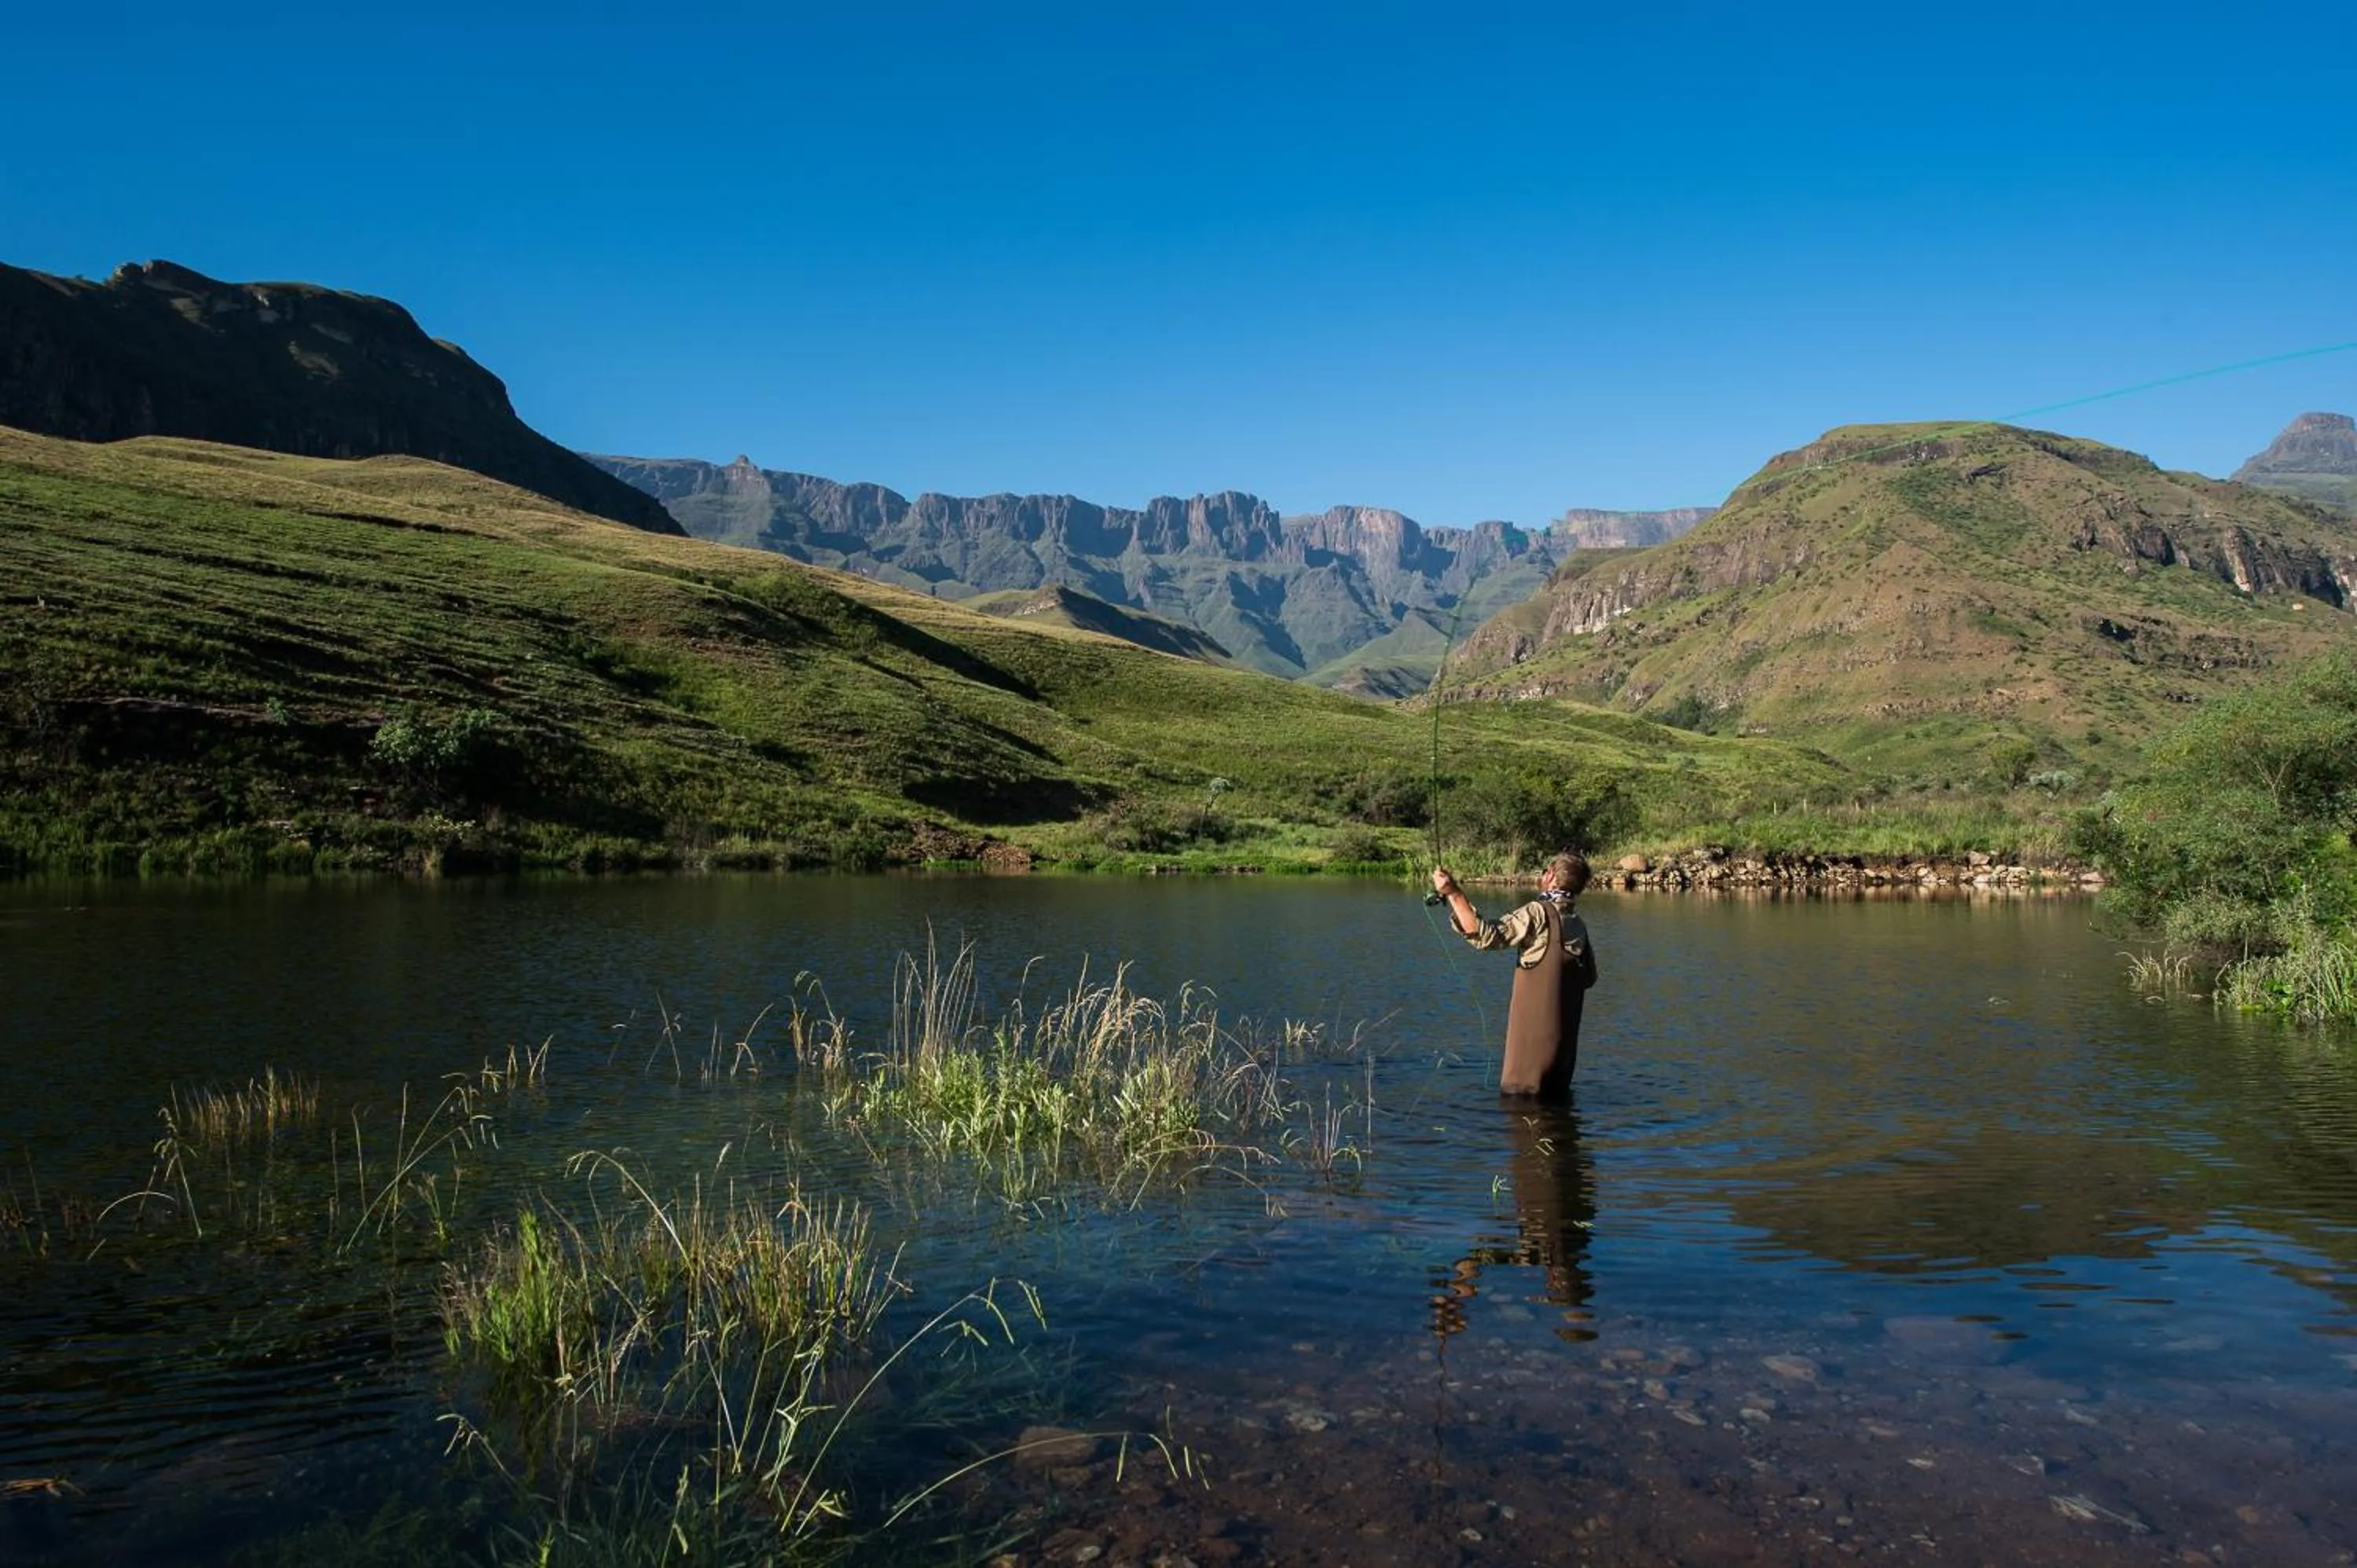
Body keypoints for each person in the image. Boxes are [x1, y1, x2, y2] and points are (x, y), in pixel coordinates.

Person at [1429, 852, 1599, 1098]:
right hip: (1561, 1062)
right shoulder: (1579, 925)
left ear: (1550, 875)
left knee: (1520, 1114)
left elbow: (1486, 936)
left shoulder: (1538, 912)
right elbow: (1589, 979)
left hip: (1526, 1067)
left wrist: (1453, 893)